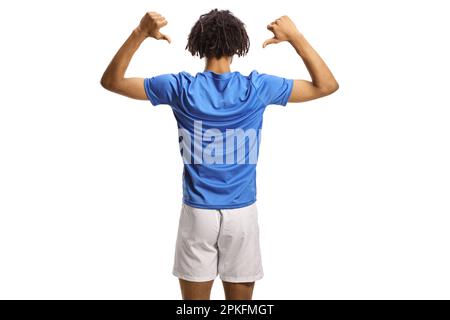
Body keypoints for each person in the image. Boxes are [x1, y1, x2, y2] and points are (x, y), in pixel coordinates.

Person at [101, 8, 338, 300]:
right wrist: (295, 38)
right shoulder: (257, 88)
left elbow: (112, 82)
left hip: (197, 213)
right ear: (239, 45)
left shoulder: (180, 88)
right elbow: (326, 85)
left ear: (197, 44)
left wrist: (139, 33)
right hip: (242, 213)